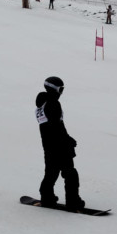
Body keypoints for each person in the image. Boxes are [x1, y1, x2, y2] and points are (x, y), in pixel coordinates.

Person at [35, 76, 85, 210]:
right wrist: (67, 140)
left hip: (48, 145)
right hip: (59, 145)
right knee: (70, 173)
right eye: (60, 89)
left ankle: (47, 197)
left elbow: (51, 126)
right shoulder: (52, 103)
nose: (61, 92)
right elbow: (56, 126)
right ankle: (73, 201)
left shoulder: (42, 104)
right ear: (53, 89)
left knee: (51, 172)